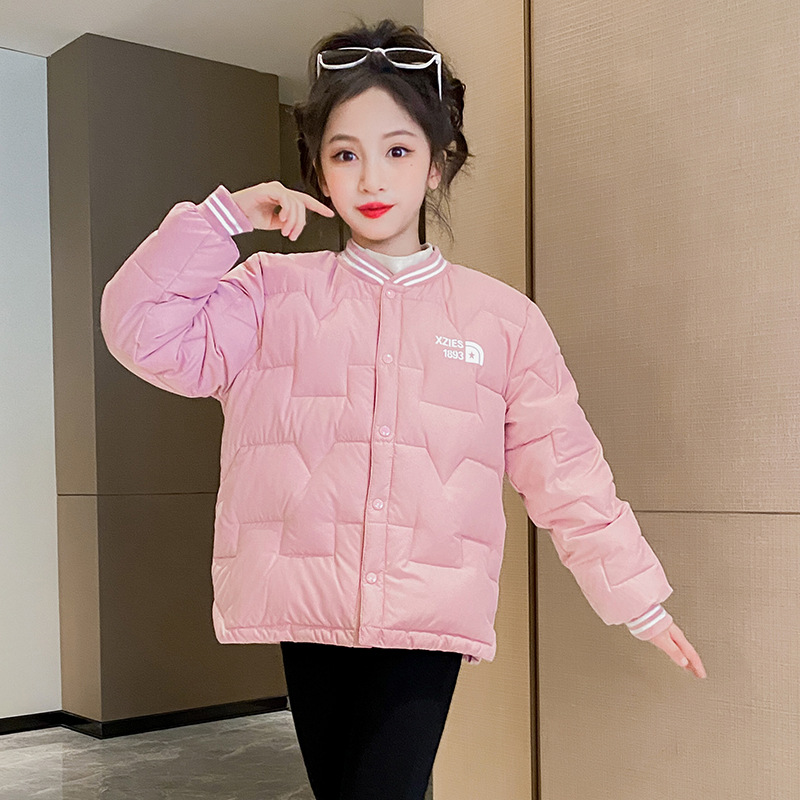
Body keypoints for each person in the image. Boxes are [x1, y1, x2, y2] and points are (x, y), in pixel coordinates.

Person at [99, 17, 706, 800]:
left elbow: (566, 471)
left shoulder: (501, 321)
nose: (371, 180)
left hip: (426, 619)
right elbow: (138, 330)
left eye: (397, 151)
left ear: (437, 164)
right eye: (345, 155)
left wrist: (639, 602)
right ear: (319, 172)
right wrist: (222, 221)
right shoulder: (271, 295)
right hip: (307, 608)